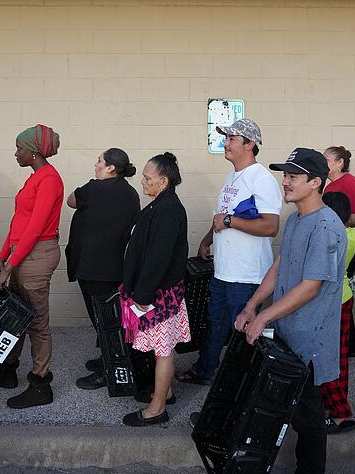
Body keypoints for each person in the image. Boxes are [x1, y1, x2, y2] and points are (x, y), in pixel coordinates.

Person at [235, 148, 346, 473]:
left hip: (309, 342)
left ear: (315, 182)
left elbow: (311, 286)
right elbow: (281, 266)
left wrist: (264, 317)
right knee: (292, 410)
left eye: (293, 176)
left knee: (310, 419)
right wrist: (252, 305)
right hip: (288, 334)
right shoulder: (297, 218)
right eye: (285, 175)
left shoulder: (325, 226)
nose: (285, 182)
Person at [177, 118, 282, 385]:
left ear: (250, 144)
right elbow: (222, 216)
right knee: (216, 323)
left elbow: (270, 226)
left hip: (247, 276)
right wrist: (207, 239)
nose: (226, 143)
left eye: (232, 139)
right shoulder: (232, 177)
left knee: (244, 332)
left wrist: (228, 222)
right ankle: (205, 371)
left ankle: (242, 384)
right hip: (224, 271)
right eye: (226, 138)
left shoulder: (262, 179)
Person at [0, 124, 63, 409]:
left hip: (37, 255)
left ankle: (41, 385)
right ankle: (8, 371)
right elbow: (18, 222)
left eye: (19, 148)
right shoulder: (35, 178)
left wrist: (9, 266)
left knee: (36, 323)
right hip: (21, 255)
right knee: (15, 317)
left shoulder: (49, 179)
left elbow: (35, 228)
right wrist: (1, 258)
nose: (16, 153)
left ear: (33, 152)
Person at [119, 152, 190, 427]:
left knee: (163, 351)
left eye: (148, 178)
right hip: (158, 293)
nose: (143, 181)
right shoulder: (161, 204)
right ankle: (166, 393)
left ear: (163, 181)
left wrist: (142, 296)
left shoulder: (168, 209)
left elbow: (158, 258)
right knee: (162, 349)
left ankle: (157, 408)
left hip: (159, 296)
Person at [66, 148, 140, 390]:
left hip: (93, 267)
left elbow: (71, 201)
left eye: (100, 161)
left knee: (103, 321)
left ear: (110, 168)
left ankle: (111, 370)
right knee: (112, 319)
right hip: (116, 268)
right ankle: (108, 359)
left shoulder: (94, 188)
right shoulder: (131, 193)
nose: (96, 165)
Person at [319, 192, 355, 435]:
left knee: (325, 358)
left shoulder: (329, 236)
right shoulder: (353, 234)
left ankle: (340, 412)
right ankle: (335, 405)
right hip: (344, 297)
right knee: (339, 357)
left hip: (327, 301)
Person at [323, 145, 355, 358]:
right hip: (336, 239)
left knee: (341, 289)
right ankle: (346, 344)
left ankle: (346, 345)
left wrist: (338, 219)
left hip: (347, 242)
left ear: (340, 162)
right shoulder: (332, 185)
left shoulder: (349, 183)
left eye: (327, 159)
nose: (323, 164)